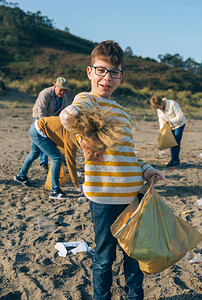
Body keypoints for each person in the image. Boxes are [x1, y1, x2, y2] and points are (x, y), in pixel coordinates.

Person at [59, 40, 165, 299]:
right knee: (105, 257)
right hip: (104, 197)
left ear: (121, 75)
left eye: (114, 72)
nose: (107, 78)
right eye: (101, 70)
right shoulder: (85, 100)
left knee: (134, 256)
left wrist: (147, 169)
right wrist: (69, 117)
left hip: (133, 197)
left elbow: (129, 155)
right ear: (89, 71)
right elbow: (72, 116)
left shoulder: (123, 112)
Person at [14, 107, 124, 200]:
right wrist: (77, 186)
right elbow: (71, 164)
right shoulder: (72, 142)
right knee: (57, 158)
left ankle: (21, 176)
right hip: (39, 130)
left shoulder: (77, 129)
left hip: (38, 125)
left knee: (35, 154)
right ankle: (55, 191)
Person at [32, 77, 71, 170]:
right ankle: (43, 162)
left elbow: (62, 111)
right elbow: (41, 111)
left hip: (52, 118)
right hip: (39, 117)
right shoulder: (45, 93)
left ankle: (64, 161)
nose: (62, 92)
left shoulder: (64, 97)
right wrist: (45, 127)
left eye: (64, 91)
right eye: (61, 90)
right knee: (44, 139)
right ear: (54, 86)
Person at [150, 95, 186, 167]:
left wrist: (171, 121)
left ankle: (175, 160)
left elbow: (181, 116)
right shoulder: (159, 109)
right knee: (171, 141)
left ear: (162, 103)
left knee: (175, 141)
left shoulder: (173, 104)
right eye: (156, 108)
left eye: (158, 107)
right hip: (169, 126)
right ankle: (175, 159)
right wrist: (161, 130)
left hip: (179, 124)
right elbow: (161, 119)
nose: (158, 109)